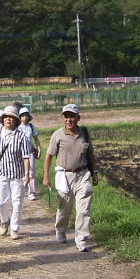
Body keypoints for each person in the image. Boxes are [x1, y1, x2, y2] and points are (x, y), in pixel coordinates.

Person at [43, 103, 99, 252]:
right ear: (63, 118)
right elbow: (49, 156)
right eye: (66, 116)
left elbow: (91, 155)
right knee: (65, 208)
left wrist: (95, 172)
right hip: (65, 176)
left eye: (72, 116)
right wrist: (46, 176)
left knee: (84, 209)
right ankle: (60, 229)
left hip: (83, 175)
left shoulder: (84, 133)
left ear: (78, 118)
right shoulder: (57, 135)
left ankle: (81, 239)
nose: (69, 119)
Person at [0, 105, 32, 240]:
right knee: (0, 202)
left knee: (17, 202)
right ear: (2, 119)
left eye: (11, 117)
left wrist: (27, 174)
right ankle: (5, 220)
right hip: (1, 174)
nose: (8, 119)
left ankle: (14, 228)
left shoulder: (21, 136)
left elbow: (26, 157)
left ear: (16, 120)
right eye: (6, 117)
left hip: (17, 175)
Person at [18, 107, 41, 200]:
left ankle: (32, 192)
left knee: (31, 172)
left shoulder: (31, 127)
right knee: (20, 172)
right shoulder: (17, 127)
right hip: (19, 153)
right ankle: (20, 191)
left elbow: (36, 139)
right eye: (23, 116)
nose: (25, 117)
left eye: (26, 115)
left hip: (29, 152)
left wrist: (39, 149)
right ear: (20, 117)